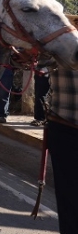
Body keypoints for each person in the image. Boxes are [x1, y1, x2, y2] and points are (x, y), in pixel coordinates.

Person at [46, 66, 78, 233]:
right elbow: (24, 57)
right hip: (66, 128)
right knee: (69, 201)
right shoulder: (58, 40)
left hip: (64, 127)